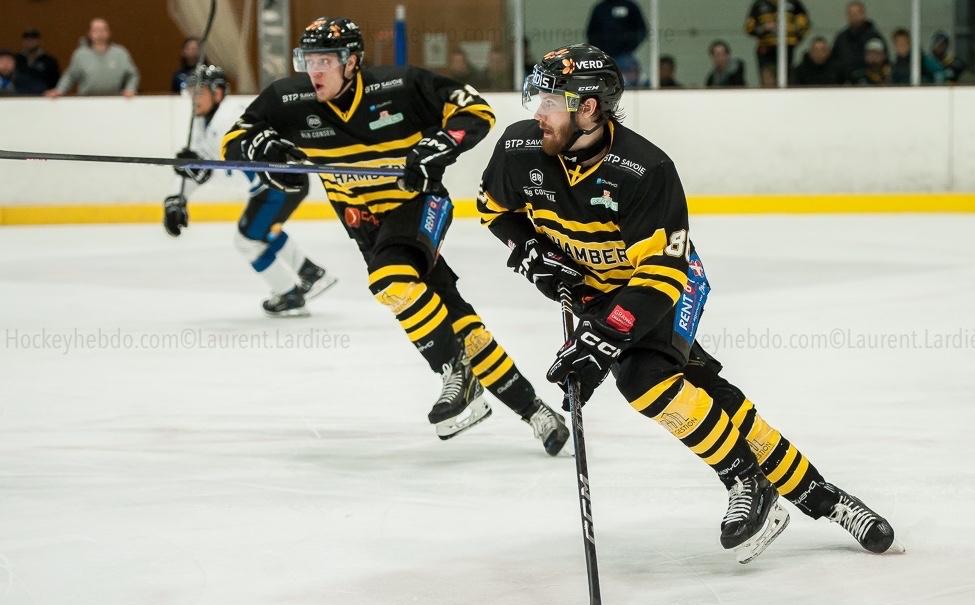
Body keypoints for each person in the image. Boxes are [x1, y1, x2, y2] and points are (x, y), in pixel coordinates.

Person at [479, 43, 898, 563]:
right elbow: (493, 209)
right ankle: (826, 499)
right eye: (537, 99)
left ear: (587, 108)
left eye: (550, 102)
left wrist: (602, 340)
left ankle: (745, 480)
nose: (537, 113)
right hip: (597, 290)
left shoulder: (643, 170)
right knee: (703, 393)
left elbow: (660, 276)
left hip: (663, 286)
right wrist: (530, 251)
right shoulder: (520, 148)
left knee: (644, 377)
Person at [220, 17, 569, 451]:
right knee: (456, 320)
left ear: (352, 62)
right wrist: (262, 149)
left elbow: (476, 110)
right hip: (367, 227)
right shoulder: (289, 99)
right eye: (308, 60)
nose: (315, 71)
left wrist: (437, 146)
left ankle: (454, 372)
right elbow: (235, 140)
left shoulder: (399, 86)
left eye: (325, 61)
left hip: (419, 205)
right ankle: (536, 412)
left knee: (390, 281)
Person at [163, 65, 331, 317]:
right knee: (260, 233)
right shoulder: (201, 121)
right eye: (191, 92)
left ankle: (289, 294)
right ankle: (311, 272)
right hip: (270, 186)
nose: (193, 98)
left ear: (218, 93)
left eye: (200, 92)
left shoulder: (231, 117)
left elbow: (234, 168)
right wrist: (176, 198)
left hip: (278, 184)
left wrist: (203, 169)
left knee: (247, 241)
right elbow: (201, 165)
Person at [48, 18, 139, 97]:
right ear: (89, 33)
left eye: (103, 30)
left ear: (109, 33)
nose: (100, 33)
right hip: (87, 100)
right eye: (96, 30)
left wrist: (130, 89)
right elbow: (70, 76)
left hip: (114, 100)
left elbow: (132, 75)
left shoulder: (120, 53)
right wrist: (59, 90)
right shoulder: (80, 54)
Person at [744, 0, 810, 82]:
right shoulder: (759, 4)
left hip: (787, 48)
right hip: (766, 48)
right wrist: (764, 28)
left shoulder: (794, 3)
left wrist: (787, 28)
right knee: (767, 76)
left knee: (786, 77)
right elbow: (749, 28)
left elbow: (804, 26)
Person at [585, 0, 648, 86]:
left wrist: (629, 47)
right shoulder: (600, 8)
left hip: (624, 55)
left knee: (630, 83)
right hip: (603, 56)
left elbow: (641, 30)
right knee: (603, 83)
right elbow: (591, 32)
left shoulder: (630, 6)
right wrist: (599, 50)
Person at [830, 2, 885, 84]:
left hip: (870, 84)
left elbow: (883, 63)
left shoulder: (874, 37)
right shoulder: (841, 38)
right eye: (851, 14)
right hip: (845, 84)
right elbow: (834, 61)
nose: (854, 16)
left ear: (863, 14)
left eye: (857, 13)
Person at [15, 29, 60, 94]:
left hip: (44, 96)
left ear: (39, 41)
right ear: (23, 42)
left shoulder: (49, 61)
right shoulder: (16, 59)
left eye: (33, 39)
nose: (30, 42)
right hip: (19, 95)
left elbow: (55, 81)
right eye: (27, 39)